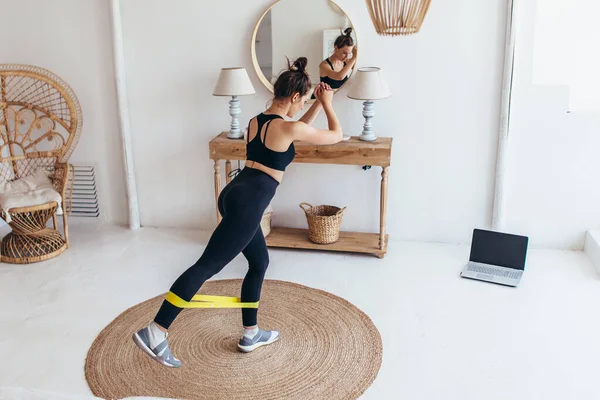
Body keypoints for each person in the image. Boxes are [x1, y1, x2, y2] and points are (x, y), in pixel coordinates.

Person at [132, 57, 343, 368]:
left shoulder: (256, 121)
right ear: (296, 97)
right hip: (248, 206)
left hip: (234, 193)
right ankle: (156, 331)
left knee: (259, 262)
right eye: (304, 100)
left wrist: (313, 104)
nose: (303, 106)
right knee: (206, 266)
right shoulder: (289, 126)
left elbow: (297, 129)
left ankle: (251, 333)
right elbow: (335, 135)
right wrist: (327, 103)